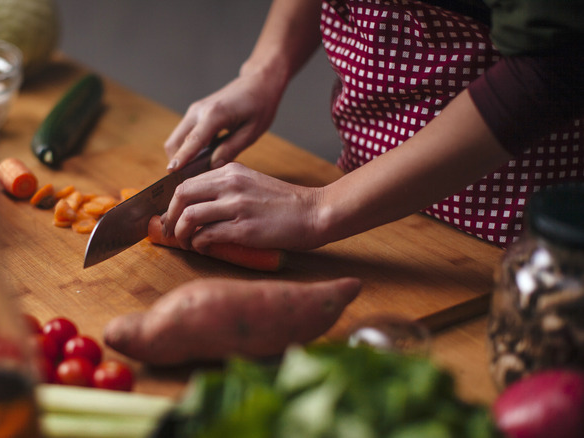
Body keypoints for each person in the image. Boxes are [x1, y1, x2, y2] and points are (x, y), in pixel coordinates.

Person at [159, 0, 584, 254]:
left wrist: (317, 210)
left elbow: (552, 63)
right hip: (361, 215)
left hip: (506, 235)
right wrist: (265, 68)